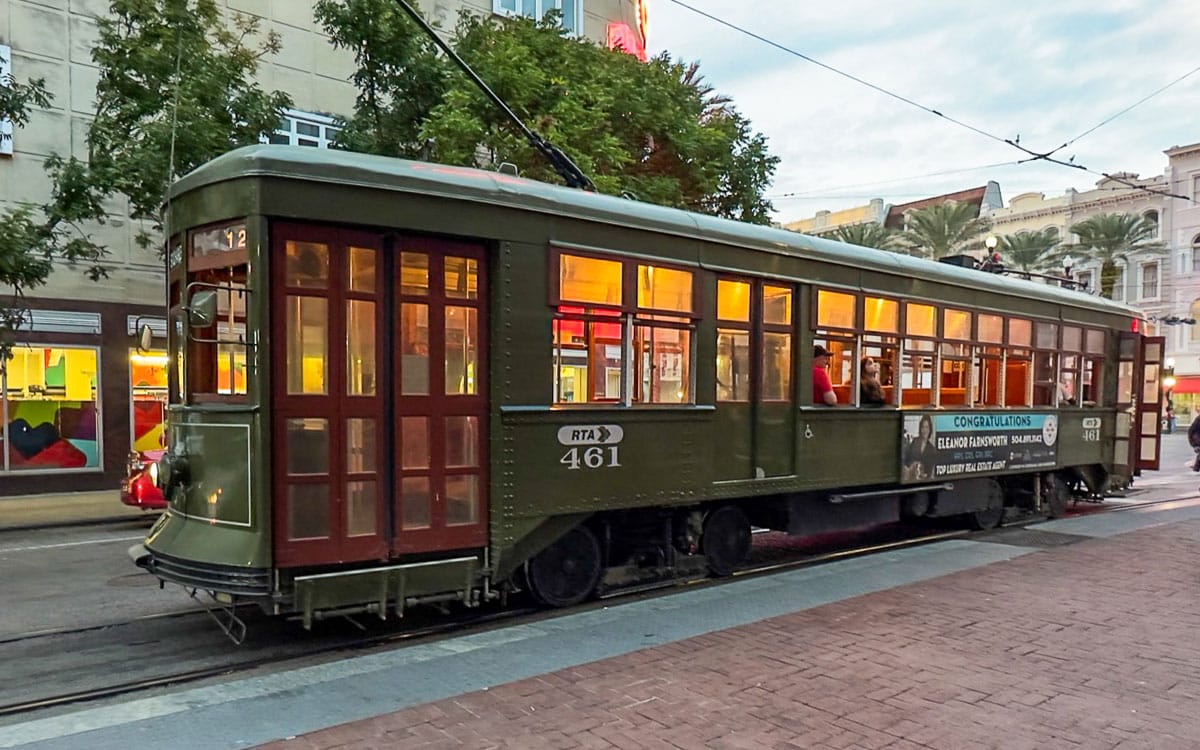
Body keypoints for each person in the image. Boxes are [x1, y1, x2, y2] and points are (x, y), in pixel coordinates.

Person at [904, 414, 937, 481]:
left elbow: (929, 473)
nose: (924, 430)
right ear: (920, 428)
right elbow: (906, 459)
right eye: (923, 427)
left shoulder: (932, 449)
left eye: (927, 427)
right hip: (910, 479)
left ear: (930, 429)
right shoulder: (915, 441)